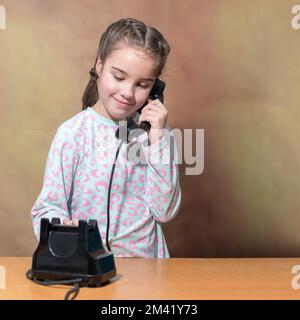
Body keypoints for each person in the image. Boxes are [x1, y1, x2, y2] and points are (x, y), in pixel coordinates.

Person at [31, 17, 181, 258]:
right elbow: (47, 208)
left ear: (155, 88)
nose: (127, 93)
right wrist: (62, 233)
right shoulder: (72, 134)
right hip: (90, 267)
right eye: (119, 77)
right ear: (99, 65)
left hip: (148, 271)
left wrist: (158, 140)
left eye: (142, 84)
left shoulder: (156, 136)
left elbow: (165, 211)